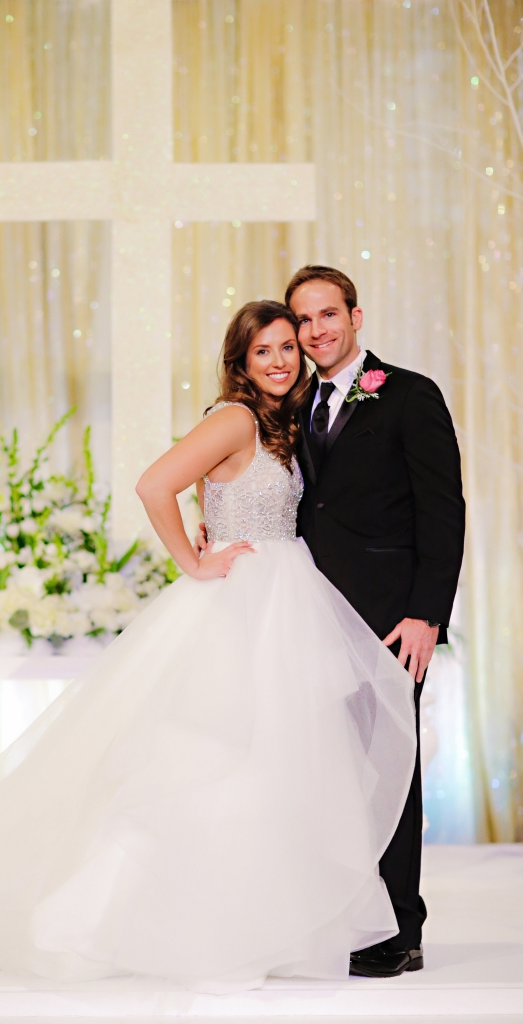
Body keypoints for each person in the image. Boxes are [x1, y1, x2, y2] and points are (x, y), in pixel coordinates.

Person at [0, 301, 417, 993]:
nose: (280, 361)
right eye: (262, 351)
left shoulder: (279, 424)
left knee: (266, 774)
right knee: (210, 769)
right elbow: (155, 484)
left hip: (284, 601)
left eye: (287, 349)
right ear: (239, 362)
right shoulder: (236, 418)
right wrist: (192, 559)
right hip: (245, 603)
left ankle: (247, 926)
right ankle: (100, 926)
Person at [287, 266, 465, 977]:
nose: (316, 331)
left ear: (356, 317)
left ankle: (398, 928)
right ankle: (332, 915)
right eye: (303, 320)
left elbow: (442, 511)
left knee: (386, 765)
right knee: (321, 769)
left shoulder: (410, 396)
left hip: (391, 620)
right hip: (307, 615)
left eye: (328, 314)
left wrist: (428, 613)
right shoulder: (290, 401)